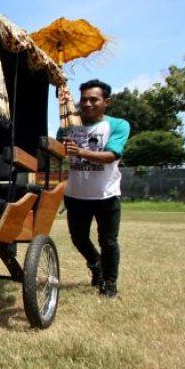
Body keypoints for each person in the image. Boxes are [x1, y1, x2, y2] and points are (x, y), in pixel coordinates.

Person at [58, 79, 130, 299]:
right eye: (84, 99)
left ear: (106, 101)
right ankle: (94, 263)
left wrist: (79, 152)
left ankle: (109, 284)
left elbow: (111, 156)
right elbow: (58, 152)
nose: (87, 104)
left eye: (93, 99)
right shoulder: (69, 124)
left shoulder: (118, 125)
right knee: (78, 238)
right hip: (76, 194)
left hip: (106, 195)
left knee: (108, 241)